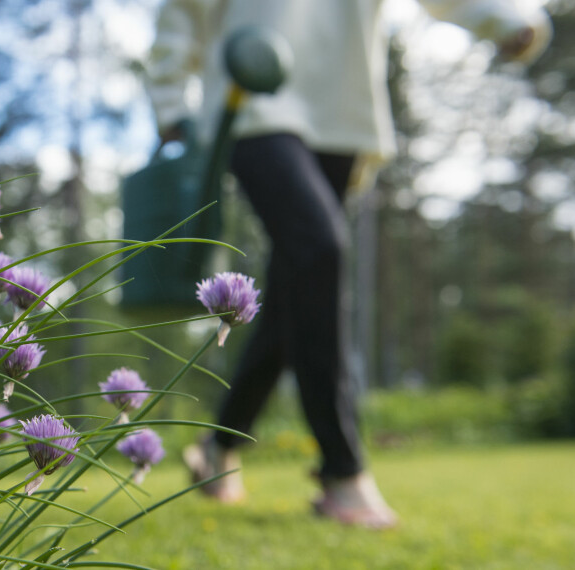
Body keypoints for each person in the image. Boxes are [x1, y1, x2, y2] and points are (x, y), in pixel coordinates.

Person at [144, 0, 551, 528]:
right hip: (253, 95)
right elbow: (182, 11)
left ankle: (219, 446)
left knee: (295, 290)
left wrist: (502, 19)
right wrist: (170, 101)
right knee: (319, 249)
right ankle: (342, 468)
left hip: (343, 111)